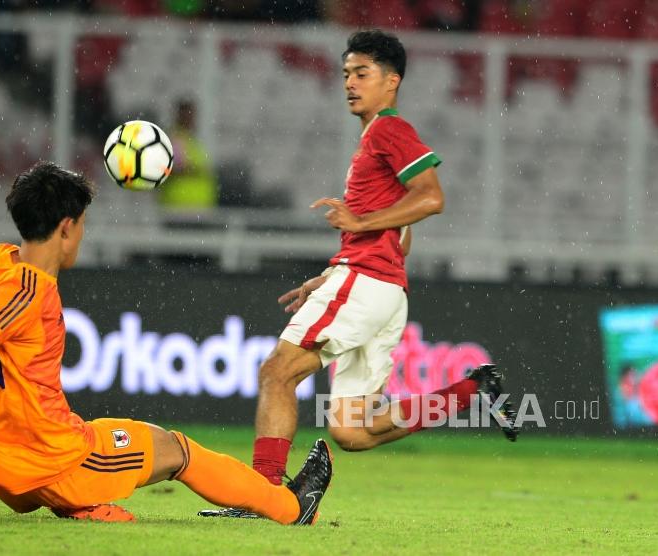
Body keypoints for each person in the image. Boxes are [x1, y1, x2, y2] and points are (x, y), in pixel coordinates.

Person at [0, 161, 331, 525]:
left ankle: (85, 509)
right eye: (83, 225)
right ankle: (293, 510)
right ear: (67, 227)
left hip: (6, 472)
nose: (83, 236)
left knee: (104, 440)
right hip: (56, 460)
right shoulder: (29, 291)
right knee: (178, 449)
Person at [200, 29, 518, 519]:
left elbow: (433, 197)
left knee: (276, 374)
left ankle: (263, 498)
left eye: (362, 73)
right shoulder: (374, 140)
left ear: (391, 81)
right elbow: (402, 231)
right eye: (346, 73)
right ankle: (474, 389)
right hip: (383, 289)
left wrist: (358, 232)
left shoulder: (389, 131)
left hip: (366, 282)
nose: (350, 82)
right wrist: (330, 276)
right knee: (351, 431)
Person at [157, 99, 218, 210]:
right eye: (187, 114)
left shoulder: (192, 140)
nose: (191, 119)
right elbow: (170, 169)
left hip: (196, 207)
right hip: (179, 205)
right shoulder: (175, 139)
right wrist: (194, 170)